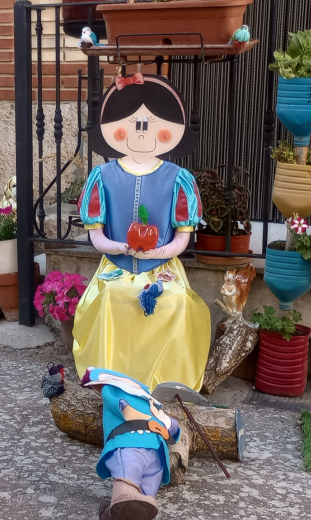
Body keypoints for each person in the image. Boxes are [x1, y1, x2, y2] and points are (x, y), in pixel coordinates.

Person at [74, 72, 211, 389]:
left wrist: (161, 251)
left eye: (150, 124)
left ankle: (167, 382)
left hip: (162, 268)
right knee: (111, 296)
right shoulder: (101, 177)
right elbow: (97, 237)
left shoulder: (179, 179)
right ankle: (112, 379)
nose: (141, 132)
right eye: (134, 123)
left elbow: (182, 238)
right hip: (116, 266)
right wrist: (118, 248)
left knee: (176, 300)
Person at [84, 367, 180, 520]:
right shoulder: (112, 389)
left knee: (148, 491)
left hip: (157, 450)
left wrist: (168, 422)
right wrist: (124, 406)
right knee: (129, 470)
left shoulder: (152, 404)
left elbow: (173, 431)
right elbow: (113, 402)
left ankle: (116, 513)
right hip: (130, 441)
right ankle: (124, 495)